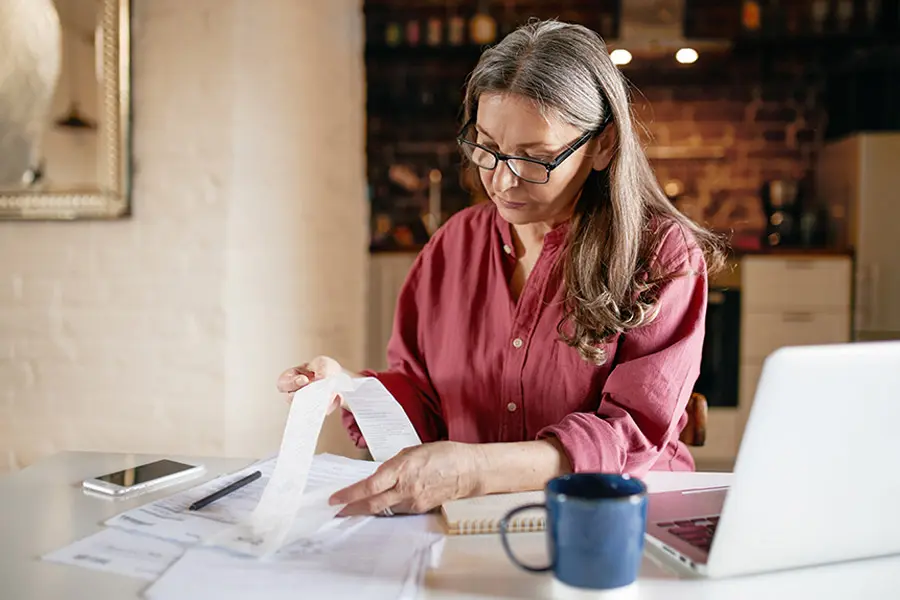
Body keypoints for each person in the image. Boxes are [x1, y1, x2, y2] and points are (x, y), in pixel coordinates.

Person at [277, 20, 723, 517]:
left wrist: (474, 471)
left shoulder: (660, 253)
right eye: (487, 146)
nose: (502, 180)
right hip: (471, 518)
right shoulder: (454, 245)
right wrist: (349, 390)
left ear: (603, 145)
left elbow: (630, 435)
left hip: (611, 519)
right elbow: (425, 397)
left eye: (537, 158)